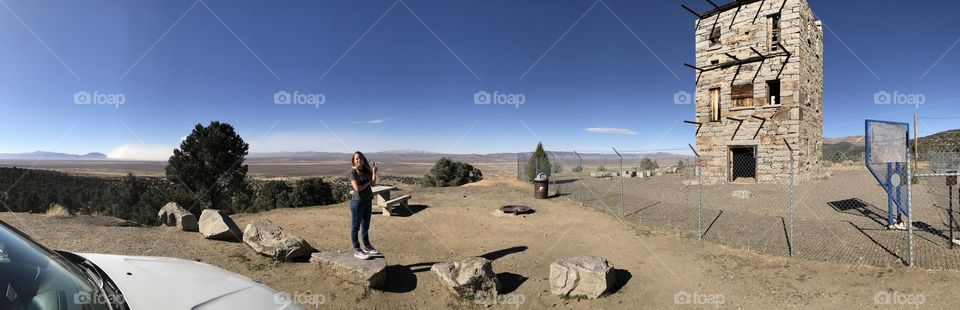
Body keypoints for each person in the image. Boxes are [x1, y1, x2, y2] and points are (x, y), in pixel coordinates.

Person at [348, 151, 380, 259]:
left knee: (366, 225)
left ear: (363, 160)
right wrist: (368, 182)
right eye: (356, 159)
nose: (358, 160)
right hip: (357, 203)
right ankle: (357, 249)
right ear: (354, 161)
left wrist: (374, 172)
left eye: (360, 158)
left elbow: (373, 184)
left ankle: (367, 246)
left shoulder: (366, 171)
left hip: (367, 201)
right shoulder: (353, 173)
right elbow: (357, 188)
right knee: (355, 227)